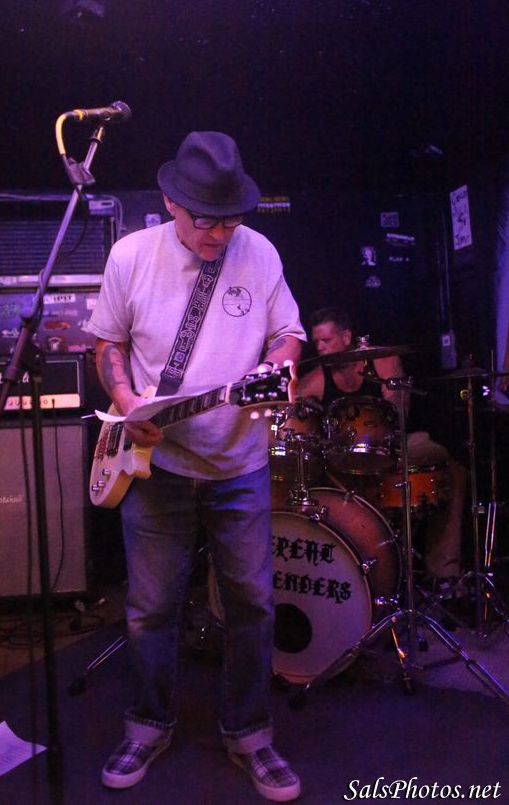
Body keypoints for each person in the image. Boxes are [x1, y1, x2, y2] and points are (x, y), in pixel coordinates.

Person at [87, 131, 306, 801]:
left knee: (253, 605)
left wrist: (281, 365)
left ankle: (250, 734)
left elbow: (287, 333)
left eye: (229, 222)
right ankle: (148, 725)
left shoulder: (259, 252)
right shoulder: (131, 257)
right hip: (156, 463)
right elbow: (107, 343)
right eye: (204, 221)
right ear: (171, 203)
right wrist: (127, 403)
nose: (217, 235)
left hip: (238, 462)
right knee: (150, 608)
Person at [292, 306, 466, 585]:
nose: (321, 348)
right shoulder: (318, 378)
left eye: (327, 340)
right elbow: (291, 407)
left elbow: (400, 413)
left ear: (346, 336)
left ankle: (444, 573)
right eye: (317, 342)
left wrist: (391, 408)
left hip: (394, 446)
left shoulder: (382, 362)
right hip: (343, 460)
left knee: (453, 470)